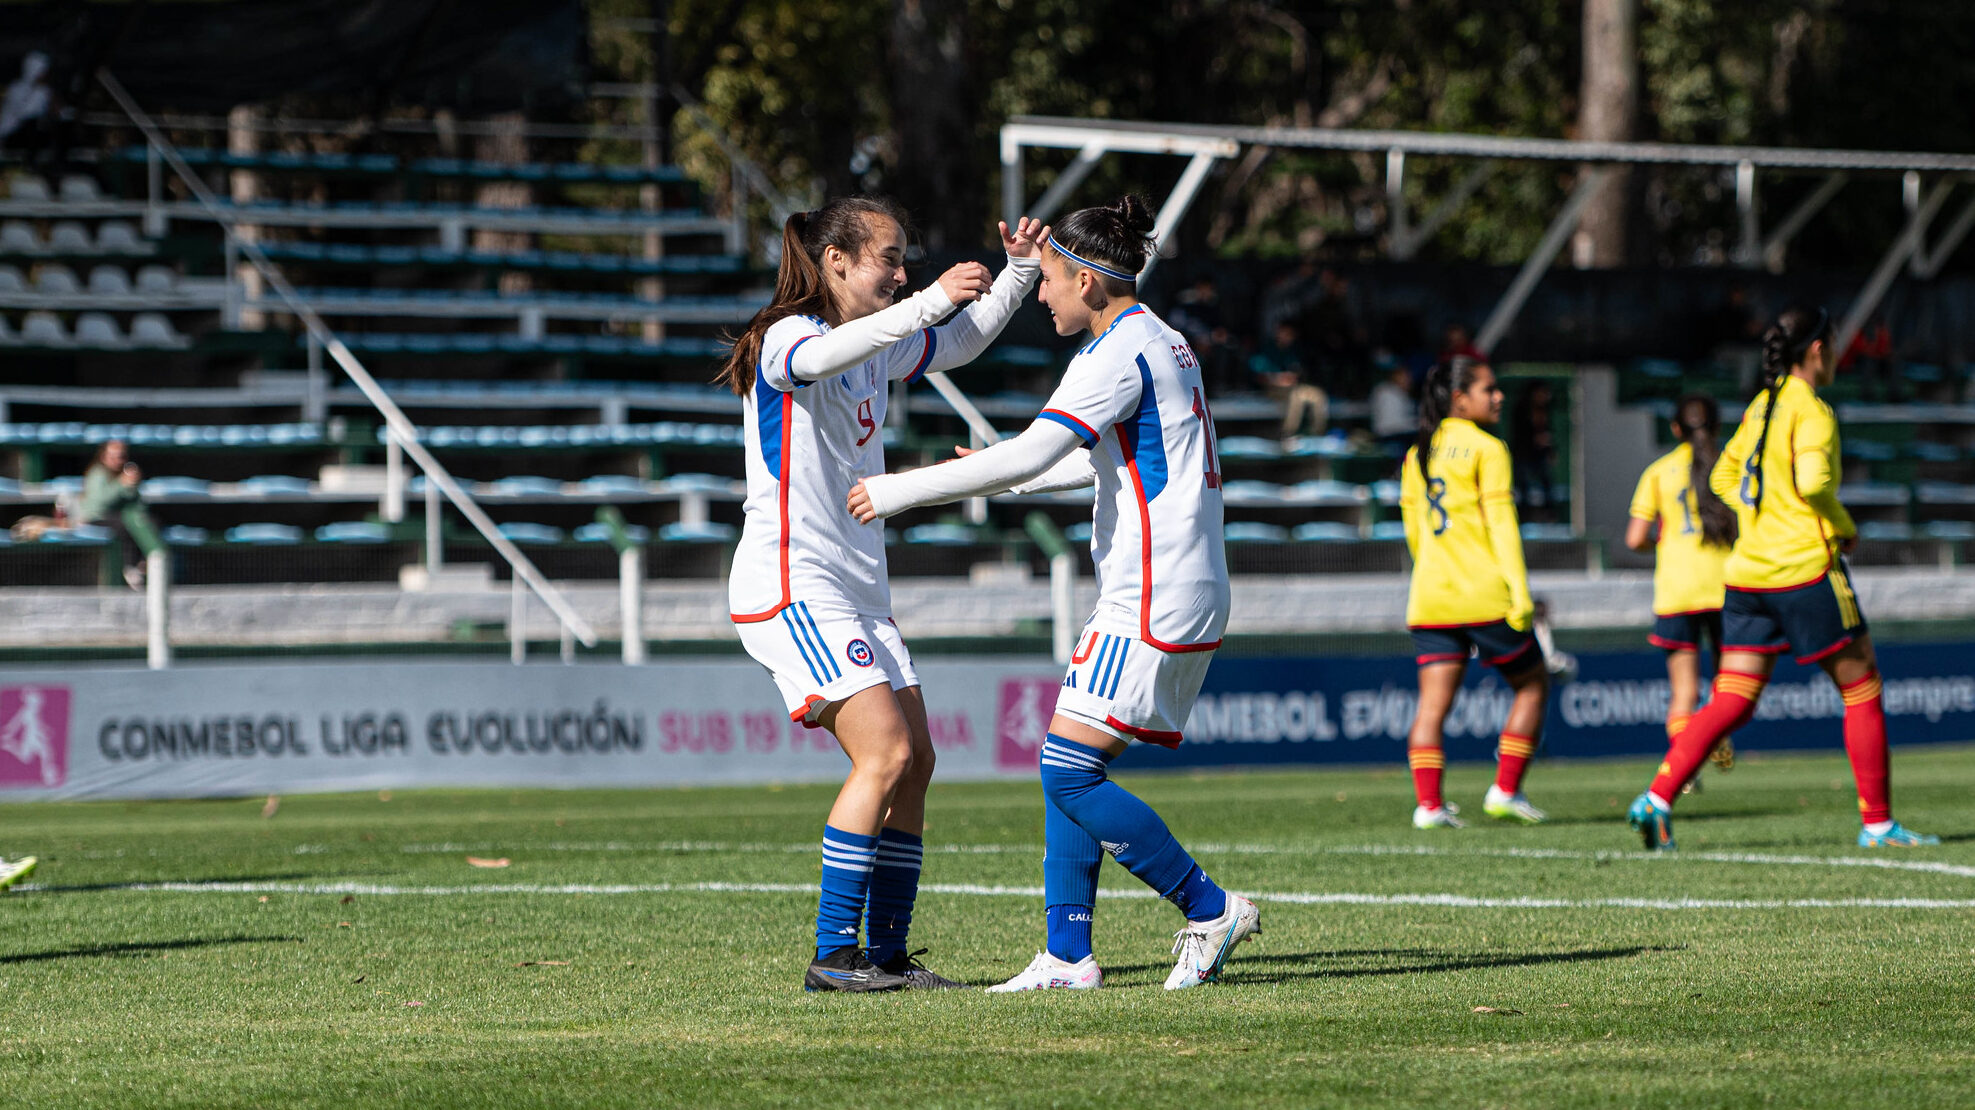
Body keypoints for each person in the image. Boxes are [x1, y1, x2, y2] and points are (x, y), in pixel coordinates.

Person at [849, 195, 1259, 993]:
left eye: (1049, 280)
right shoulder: (1161, 341)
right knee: (1060, 764)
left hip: (1155, 590)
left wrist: (902, 489)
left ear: (1087, 279)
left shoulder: (1114, 352)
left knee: (1068, 772)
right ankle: (1068, 955)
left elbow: (1037, 449)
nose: (1040, 295)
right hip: (1168, 583)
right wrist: (1008, 471)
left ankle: (1209, 910)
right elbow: (1094, 461)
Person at [718, 195, 1046, 991]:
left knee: (918, 761)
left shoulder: (875, 342)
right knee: (886, 752)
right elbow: (828, 356)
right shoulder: (784, 337)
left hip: (855, 589)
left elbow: (954, 342)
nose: (902, 275)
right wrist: (929, 301)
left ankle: (889, 957)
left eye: (906, 262)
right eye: (888, 260)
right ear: (835, 261)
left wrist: (1019, 275)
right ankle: (833, 959)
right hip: (793, 583)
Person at [1627, 306, 1938, 850]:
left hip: (1747, 575)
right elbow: (1815, 481)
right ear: (1818, 349)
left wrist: (1758, 517)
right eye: (1836, 343)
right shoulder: (1811, 409)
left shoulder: (1759, 407)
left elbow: (1724, 476)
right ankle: (1879, 824)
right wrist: (1841, 524)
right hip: (1804, 568)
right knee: (1861, 686)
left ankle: (1656, 797)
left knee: (1732, 698)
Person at [1399, 356, 1549, 829]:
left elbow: (1413, 532)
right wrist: (1520, 593)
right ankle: (1505, 789)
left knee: (1431, 707)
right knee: (1532, 685)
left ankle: (1429, 806)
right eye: (1490, 389)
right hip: (1483, 594)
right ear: (1460, 399)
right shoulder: (1487, 447)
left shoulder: (1415, 454)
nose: (1499, 396)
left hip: (1430, 596)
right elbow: (1502, 526)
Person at [1625, 395, 1739, 793]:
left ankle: (1682, 770)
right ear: (1717, 426)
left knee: (1683, 692)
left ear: (1675, 428)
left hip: (1676, 589)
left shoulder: (1658, 471)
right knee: (1730, 688)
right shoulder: (1731, 467)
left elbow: (1635, 538)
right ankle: (1717, 733)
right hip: (1727, 586)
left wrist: (1664, 542)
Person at [77, 439, 159, 590]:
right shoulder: (98, 474)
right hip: (95, 517)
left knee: (147, 522)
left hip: (119, 516)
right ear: (103, 456)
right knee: (124, 525)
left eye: (121, 456)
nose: (118, 460)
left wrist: (132, 486)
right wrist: (121, 484)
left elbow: (137, 505)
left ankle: (145, 565)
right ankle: (129, 566)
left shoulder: (124, 473)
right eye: (113, 456)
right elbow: (100, 504)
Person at [1247, 321, 1328, 439]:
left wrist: (1293, 378)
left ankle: (1318, 434)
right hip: (1274, 390)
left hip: (1296, 387)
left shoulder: (1295, 351)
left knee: (1318, 395)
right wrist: (1279, 380)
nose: (1287, 337)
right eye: (1284, 333)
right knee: (1295, 397)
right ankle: (1288, 435)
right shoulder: (1267, 349)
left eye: (1290, 334)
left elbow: (1299, 373)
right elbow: (1259, 376)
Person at [1508, 381, 1557, 523]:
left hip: (1539, 454)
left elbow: (1548, 432)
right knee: (1523, 485)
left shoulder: (1546, 410)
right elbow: (1519, 434)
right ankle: (1523, 515)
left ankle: (1550, 513)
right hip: (1523, 453)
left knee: (1546, 482)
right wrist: (1535, 439)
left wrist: (1549, 448)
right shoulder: (1522, 410)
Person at [1369, 354, 1416, 458]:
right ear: (1395, 376)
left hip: (1398, 435)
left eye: (1409, 376)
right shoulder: (1386, 392)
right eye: (1405, 376)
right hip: (1388, 437)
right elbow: (1391, 425)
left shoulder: (1402, 394)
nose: (1409, 380)